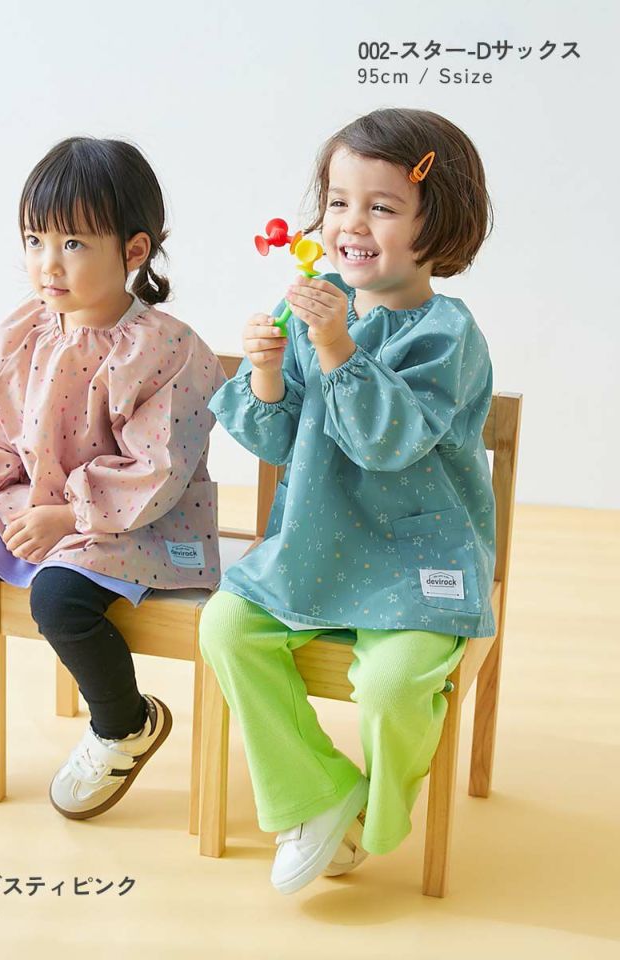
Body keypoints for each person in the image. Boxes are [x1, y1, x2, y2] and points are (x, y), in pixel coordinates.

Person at [199, 107, 496, 895]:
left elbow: (387, 442)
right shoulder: (317, 300)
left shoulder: (446, 335)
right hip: (314, 544)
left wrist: (335, 344)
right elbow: (275, 439)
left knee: (396, 688)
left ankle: (370, 818)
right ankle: (317, 792)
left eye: (382, 206)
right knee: (226, 627)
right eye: (338, 201)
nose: (351, 224)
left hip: (417, 561)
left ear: (440, 223)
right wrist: (268, 371)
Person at [0, 137, 226, 820]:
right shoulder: (27, 327)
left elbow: (157, 469)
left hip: (134, 521)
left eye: (73, 243)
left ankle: (125, 724)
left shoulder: (167, 349)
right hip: (34, 503)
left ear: (134, 251)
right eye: (35, 239)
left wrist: (68, 517)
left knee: (59, 599)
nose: (48, 263)